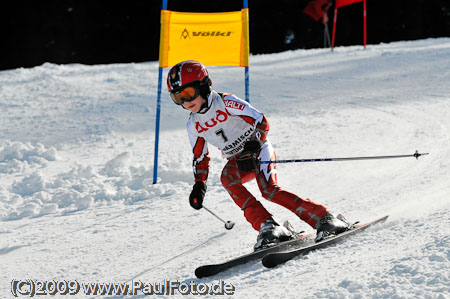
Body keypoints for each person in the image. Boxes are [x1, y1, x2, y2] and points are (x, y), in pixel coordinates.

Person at [167, 60, 349, 250]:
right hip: (238, 160)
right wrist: (199, 185)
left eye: (188, 94)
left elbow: (261, 121)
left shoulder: (226, 102)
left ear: (204, 86)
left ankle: (324, 218)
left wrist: (252, 147)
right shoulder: (193, 124)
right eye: (177, 97)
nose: (185, 102)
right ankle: (269, 226)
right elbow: (200, 157)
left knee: (269, 190)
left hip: (259, 149)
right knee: (228, 179)